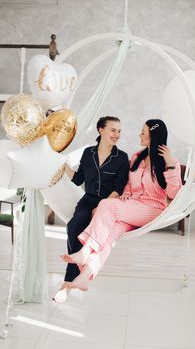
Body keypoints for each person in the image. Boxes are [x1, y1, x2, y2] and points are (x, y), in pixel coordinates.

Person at [60, 119, 182, 291]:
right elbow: (128, 184)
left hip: (153, 208)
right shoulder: (136, 158)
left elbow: (174, 194)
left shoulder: (169, 162)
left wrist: (170, 165)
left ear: (152, 137)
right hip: (132, 206)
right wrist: (125, 194)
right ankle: (86, 275)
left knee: (107, 205)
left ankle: (85, 252)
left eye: (143, 133)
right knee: (109, 235)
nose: (139, 135)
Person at [53, 116, 129, 302]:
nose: (116, 134)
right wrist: (62, 164)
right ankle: (78, 269)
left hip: (108, 204)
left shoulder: (122, 158)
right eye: (113, 130)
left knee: (81, 229)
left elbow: (119, 188)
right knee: (74, 225)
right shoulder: (88, 153)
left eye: (119, 131)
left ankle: (66, 285)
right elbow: (79, 179)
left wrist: (102, 207)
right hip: (87, 200)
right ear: (101, 130)